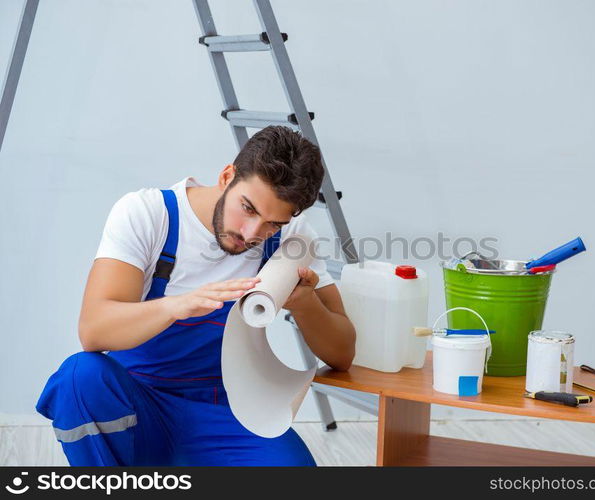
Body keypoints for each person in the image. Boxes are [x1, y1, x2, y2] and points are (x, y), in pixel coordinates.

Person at [35, 126, 356, 466]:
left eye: (271, 224)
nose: (252, 234)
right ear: (227, 176)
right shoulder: (149, 215)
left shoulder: (292, 241)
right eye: (247, 208)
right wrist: (177, 305)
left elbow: (342, 354)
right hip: (138, 403)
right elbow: (94, 330)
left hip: (227, 411)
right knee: (80, 376)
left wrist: (304, 303)